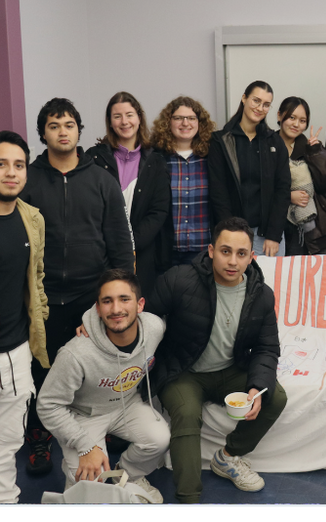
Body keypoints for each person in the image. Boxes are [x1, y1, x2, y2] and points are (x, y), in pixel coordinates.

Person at [20, 98, 135, 475]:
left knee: (94, 367)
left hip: (90, 296)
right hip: (43, 297)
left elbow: (119, 241)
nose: (63, 131)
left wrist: (117, 295)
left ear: (79, 131)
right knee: (42, 370)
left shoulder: (101, 179)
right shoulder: (30, 180)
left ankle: (107, 425)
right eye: (54, 125)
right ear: (43, 134)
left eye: (69, 124)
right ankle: (39, 437)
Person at [146, 217, 286, 503]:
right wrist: (94, 326)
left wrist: (256, 385)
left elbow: (266, 348)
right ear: (211, 251)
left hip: (230, 370)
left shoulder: (261, 295)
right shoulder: (179, 279)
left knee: (275, 396)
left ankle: (228, 457)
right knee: (186, 416)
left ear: (251, 257)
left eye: (241, 253)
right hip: (184, 370)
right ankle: (189, 500)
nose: (232, 261)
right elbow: (141, 319)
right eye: (225, 251)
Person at [37, 269, 167, 502]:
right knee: (89, 482)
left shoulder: (155, 328)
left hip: (127, 404)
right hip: (83, 415)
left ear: (140, 305)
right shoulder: (76, 353)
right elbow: (47, 405)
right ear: (97, 309)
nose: (116, 309)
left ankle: (127, 475)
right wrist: (85, 446)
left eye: (124, 299)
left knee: (159, 439)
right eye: (107, 301)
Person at [0, 131, 47, 503]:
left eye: (18, 165)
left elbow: (37, 278)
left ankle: (8, 502)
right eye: (1, 164)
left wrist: (40, 320)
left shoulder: (32, 219)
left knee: (10, 440)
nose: (10, 173)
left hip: (15, 352)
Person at [88, 92, 171, 298]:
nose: (124, 122)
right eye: (117, 116)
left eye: (129, 115)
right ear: (110, 121)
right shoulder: (94, 158)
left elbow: (158, 211)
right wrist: (112, 245)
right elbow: (89, 208)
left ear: (139, 118)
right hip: (102, 253)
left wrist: (130, 244)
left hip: (142, 256)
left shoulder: (156, 161)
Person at [208, 80, 291, 257]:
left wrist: (274, 235)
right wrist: (230, 234)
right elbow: (218, 191)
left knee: (270, 284)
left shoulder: (275, 142)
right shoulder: (220, 141)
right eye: (256, 101)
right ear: (244, 99)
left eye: (266, 104)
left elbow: (282, 190)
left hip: (267, 236)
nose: (260, 108)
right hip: (232, 235)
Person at [150, 96, 216, 267]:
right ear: (168, 123)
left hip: (203, 248)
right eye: (178, 118)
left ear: (200, 123)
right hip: (166, 249)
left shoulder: (212, 157)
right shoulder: (156, 158)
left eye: (191, 118)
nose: (185, 123)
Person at [276, 96, 326, 255]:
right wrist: (288, 196)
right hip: (276, 223)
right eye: (291, 117)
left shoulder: (309, 147)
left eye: (302, 120)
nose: (296, 124)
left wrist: (316, 153)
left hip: (309, 226)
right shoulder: (268, 145)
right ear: (279, 115)